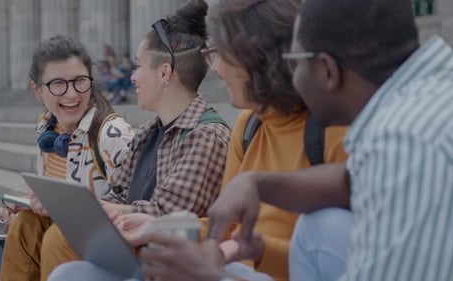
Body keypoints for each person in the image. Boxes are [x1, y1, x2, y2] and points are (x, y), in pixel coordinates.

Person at [48, 0, 348, 280]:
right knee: (68, 273)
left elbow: (335, 255)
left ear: (255, 57)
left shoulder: (331, 132)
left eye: (218, 53)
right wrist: (154, 227)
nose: (214, 68)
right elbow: (225, 228)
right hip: (226, 265)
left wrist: (239, 253)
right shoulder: (248, 127)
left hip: (250, 270)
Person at [204, 0, 453, 280]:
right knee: (322, 225)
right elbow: (356, 179)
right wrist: (257, 183)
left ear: (327, 70)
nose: (290, 76)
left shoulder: (403, 140)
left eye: (295, 63)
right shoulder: (430, 95)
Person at [8, 1, 231, 280]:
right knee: (27, 226)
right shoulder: (149, 132)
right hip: (126, 243)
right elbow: (117, 194)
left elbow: (165, 214)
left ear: (164, 73)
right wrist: (65, 205)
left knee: (58, 237)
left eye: (137, 66)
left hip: (157, 258)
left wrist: (85, 208)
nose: (132, 77)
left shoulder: (205, 135)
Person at [0, 35, 133, 281]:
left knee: (50, 235)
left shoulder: (113, 134)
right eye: (58, 84)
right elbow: (57, 192)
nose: (71, 95)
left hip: (106, 247)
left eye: (79, 81)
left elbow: (135, 209)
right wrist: (25, 203)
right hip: (62, 235)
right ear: (36, 90)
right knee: (24, 224)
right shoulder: (45, 127)